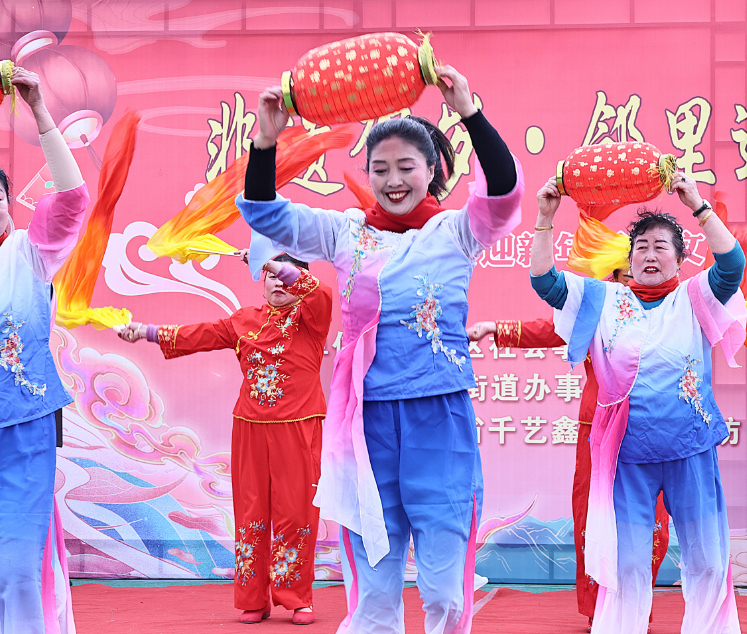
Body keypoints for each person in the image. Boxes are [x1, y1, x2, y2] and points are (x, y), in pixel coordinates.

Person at [236, 65, 522, 634]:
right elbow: (266, 212)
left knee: (444, 591)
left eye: (406, 168)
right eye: (381, 168)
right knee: (373, 593)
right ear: (367, 172)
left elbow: (506, 192)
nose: (394, 180)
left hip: (439, 420)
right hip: (366, 427)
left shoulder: (455, 233)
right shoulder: (345, 232)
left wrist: (469, 111)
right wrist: (265, 142)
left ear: (433, 172)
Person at [527, 174, 746, 634]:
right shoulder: (604, 299)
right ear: (630, 258)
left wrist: (699, 206)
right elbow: (546, 283)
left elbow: (732, 265)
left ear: (681, 258)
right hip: (628, 455)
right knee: (627, 570)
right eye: (641, 247)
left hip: (690, 448)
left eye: (661, 247)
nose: (649, 254)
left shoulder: (696, 297)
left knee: (707, 559)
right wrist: (545, 218)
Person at [115, 252, 332, 625]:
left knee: (296, 512)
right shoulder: (244, 320)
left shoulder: (311, 319)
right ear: (259, 282)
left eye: (286, 277)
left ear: (299, 283)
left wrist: (272, 263)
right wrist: (147, 331)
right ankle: (253, 597)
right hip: (249, 426)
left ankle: (296, 598)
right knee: (251, 511)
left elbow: (321, 293)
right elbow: (198, 335)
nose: (278, 283)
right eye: (270, 276)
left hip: (298, 426)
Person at [466, 269, 671, 634]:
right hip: (600, 428)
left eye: (633, 274)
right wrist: (495, 329)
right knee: (593, 518)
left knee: (650, 521)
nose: (627, 283)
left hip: (651, 429)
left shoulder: (671, 308)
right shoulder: (599, 308)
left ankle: (637, 604)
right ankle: (599, 609)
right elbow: (551, 330)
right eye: (619, 276)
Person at [0, 68, 90, 634]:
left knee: (17, 568)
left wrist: (39, 112)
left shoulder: (29, 253)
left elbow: (74, 196)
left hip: (23, 429)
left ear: (9, 203)